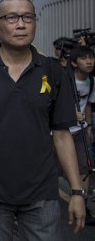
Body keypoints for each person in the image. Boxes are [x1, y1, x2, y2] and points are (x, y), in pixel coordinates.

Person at [0, 0, 86, 240]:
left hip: (42, 192)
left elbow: (63, 136)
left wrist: (76, 192)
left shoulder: (53, 71)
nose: (21, 24)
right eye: (11, 18)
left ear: (35, 22)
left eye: (27, 17)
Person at [67, 46, 95, 225]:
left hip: (80, 130)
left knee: (85, 168)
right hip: (59, 132)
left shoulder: (91, 81)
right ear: (74, 63)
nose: (89, 61)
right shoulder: (65, 80)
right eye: (84, 58)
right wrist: (70, 114)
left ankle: (83, 208)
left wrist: (89, 127)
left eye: (91, 58)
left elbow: (88, 105)